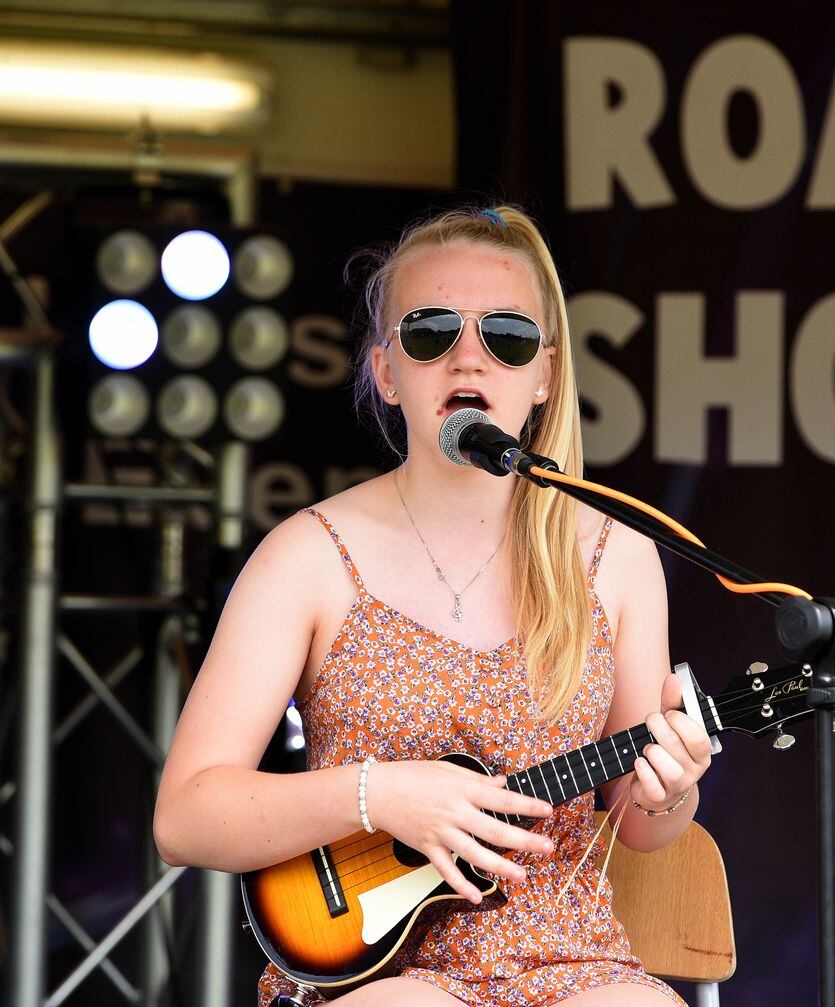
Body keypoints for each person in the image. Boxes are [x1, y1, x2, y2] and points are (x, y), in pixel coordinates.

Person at [153, 204, 714, 1006]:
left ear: (545, 373)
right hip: (378, 969)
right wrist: (377, 793)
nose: (468, 361)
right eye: (430, 332)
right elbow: (185, 815)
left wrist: (671, 788)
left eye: (507, 337)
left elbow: (642, 823)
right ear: (386, 371)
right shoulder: (308, 555)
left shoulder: (615, 555)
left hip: (572, 959)